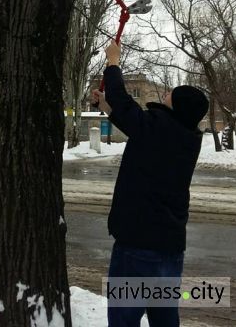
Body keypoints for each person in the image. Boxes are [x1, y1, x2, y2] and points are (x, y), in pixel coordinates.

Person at [92, 41, 209, 327]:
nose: (166, 94)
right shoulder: (183, 136)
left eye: (171, 94)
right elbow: (135, 124)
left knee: (124, 319)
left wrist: (114, 62)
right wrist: (106, 106)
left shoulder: (158, 128)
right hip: (169, 249)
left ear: (178, 105)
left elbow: (126, 104)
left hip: (137, 246)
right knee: (165, 318)